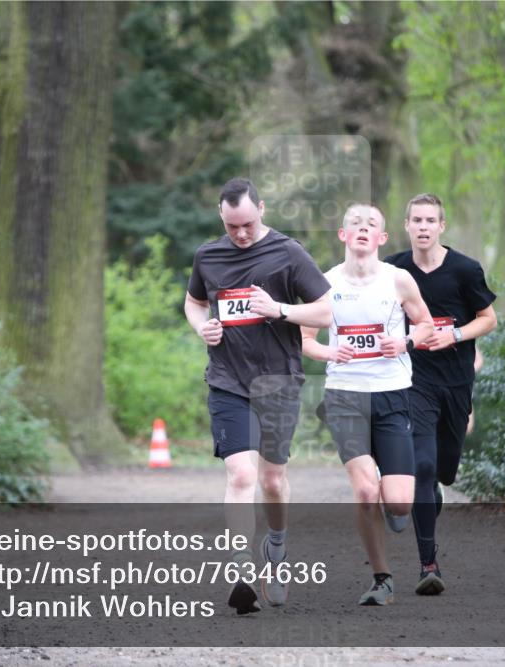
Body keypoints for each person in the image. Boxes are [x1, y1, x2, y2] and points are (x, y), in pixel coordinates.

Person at [185, 178, 332, 614]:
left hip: (278, 382)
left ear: (262, 210)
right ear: (221, 218)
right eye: (233, 227)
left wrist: (281, 310)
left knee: (270, 480)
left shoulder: (287, 252)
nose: (242, 234)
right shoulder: (208, 256)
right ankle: (240, 570)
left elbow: (327, 309)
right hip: (227, 379)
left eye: (248, 224)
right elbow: (194, 303)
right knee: (241, 476)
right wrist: (202, 327)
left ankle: (278, 549)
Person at [301, 204, 433, 606]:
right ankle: (383, 579)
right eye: (355, 225)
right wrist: (329, 352)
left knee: (398, 501)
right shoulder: (323, 285)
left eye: (371, 225)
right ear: (343, 236)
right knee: (363, 490)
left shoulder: (400, 280)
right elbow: (305, 340)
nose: (362, 229)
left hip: (392, 393)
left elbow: (427, 324)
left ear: (382, 238)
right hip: (345, 396)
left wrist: (406, 341)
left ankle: (392, 506)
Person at [384, 193, 497, 596]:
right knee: (424, 465)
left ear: (441, 226)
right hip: (413, 380)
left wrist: (456, 333)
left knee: (444, 470)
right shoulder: (392, 269)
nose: (423, 227)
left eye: (431, 220)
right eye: (417, 220)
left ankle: (429, 492)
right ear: (407, 225)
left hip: (456, 382)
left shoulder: (465, 270)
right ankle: (428, 564)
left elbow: (489, 318)